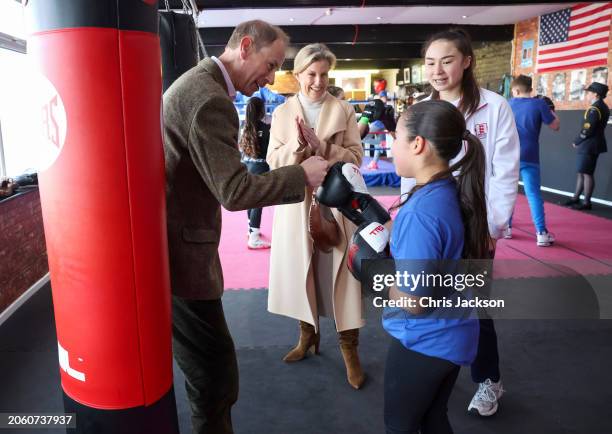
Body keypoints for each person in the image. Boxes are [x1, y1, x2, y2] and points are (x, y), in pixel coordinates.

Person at [163, 20, 329, 434]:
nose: (272, 78)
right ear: (246, 46)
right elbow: (234, 191)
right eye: (270, 65)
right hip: (182, 255)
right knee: (215, 376)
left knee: (211, 373)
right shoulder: (208, 98)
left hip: (177, 244)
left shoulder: (201, 86)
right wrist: (302, 176)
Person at [400, 28, 519, 417]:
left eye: (447, 60)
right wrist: (405, 214)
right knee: (427, 297)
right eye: (430, 62)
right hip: (432, 218)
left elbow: (504, 171)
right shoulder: (419, 108)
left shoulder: (493, 106)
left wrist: (492, 227)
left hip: (474, 224)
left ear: (466, 61)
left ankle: (489, 380)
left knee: (473, 305)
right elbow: (409, 166)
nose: (437, 70)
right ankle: (440, 374)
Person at [384, 99, 488, 434]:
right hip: (453, 335)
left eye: (396, 136)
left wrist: (375, 277)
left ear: (417, 144)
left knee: (399, 426)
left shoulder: (422, 212)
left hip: (425, 341)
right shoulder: (445, 189)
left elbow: (414, 303)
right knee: (432, 419)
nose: (391, 143)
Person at [266, 43, 366, 389]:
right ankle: (307, 335)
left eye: (324, 74)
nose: (319, 81)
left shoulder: (343, 110)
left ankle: (349, 349)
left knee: (341, 277)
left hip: (336, 201)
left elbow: (355, 157)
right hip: (296, 204)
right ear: (298, 75)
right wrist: (297, 144)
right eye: (312, 74)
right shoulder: (281, 115)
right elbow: (272, 163)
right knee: (301, 271)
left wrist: (321, 146)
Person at [507, 75, 560, 246]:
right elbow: (555, 126)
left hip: (508, 156)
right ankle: (541, 234)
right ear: (530, 89)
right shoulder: (539, 104)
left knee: (508, 192)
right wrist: (550, 109)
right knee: (533, 195)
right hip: (530, 155)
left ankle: (506, 228)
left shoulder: (507, 103)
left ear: (515, 90)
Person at [564, 82, 609, 210]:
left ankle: (586, 202)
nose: (587, 94)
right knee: (582, 171)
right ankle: (575, 197)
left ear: (596, 94)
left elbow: (588, 129)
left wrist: (577, 141)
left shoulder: (595, 108)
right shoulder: (602, 106)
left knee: (587, 173)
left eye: (589, 92)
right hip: (592, 144)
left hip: (589, 145)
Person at [239, 96, 272, 249]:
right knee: (258, 201)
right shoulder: (266, 128)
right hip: (261, 168)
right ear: (261, 110)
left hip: (247, 166)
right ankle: (254, 237)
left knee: (251, 200)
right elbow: (270, 151)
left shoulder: (244, 127)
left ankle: (250, 229)